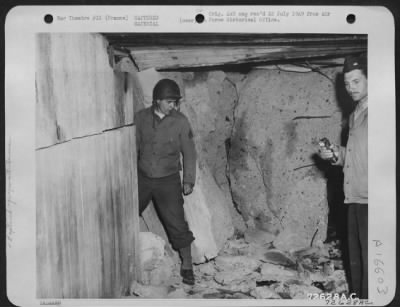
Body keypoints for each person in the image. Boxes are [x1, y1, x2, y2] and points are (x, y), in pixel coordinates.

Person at [135, 79, 197, 285]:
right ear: (157, 100)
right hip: (142, 178)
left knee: (177, 223)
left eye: (175, 102)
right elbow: (132, 148)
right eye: (170, 102)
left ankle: (187, 264)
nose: (174, 106)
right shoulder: (141, 118)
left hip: (168, 180)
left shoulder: (180, 121)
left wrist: (188, 180)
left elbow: (189, 153)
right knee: (126, 215)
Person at [318, 54, 368, 299]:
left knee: (373, 265)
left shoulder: (382, 114)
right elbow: (355, 156)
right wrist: (335, 154)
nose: (351, 88)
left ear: (370, 80)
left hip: (374, 200)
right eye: (348, 84)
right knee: (356, 264)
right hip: (354, 198)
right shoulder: (355, 114)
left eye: (357, 81)